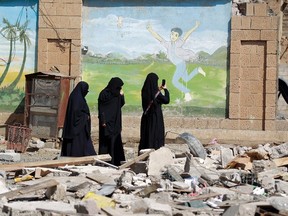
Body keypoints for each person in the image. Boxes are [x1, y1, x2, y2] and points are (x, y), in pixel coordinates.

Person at [147, 21, 206, 102]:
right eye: (172, 34)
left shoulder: (179, 43)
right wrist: (150, 30)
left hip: (180, 64)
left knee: (175, 81)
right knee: (186, 79)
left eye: (176, 35)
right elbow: (158, 37)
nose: (173, 36)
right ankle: (197, 70)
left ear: (178, 37)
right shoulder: (168, 44)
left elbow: (187, 34)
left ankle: (187, 93)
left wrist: (195, 27)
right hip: (181, 64)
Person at [61, 81, 96, 157]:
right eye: (86, 90)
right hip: (77, 126)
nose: (86, 92)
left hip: (78, 126)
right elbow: (75, 112)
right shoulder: (77, 98)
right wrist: (85, 116)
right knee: (78, 142)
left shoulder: (76, 96)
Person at [139, 72, 170, 152]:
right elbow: (166, 100)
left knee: (147, 135)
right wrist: (165, 89)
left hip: (146, 117)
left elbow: (152, 97)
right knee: (155, 134)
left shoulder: (144, 90)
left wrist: (158, 90)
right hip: (156, 117)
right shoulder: (157, 93)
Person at [98, 77, 126, 166]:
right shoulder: (104, 94)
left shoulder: (117, 95)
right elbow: (101, 108)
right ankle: (105, 161)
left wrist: (122, 95)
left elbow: (121, 104)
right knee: (105, 143)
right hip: (106, 123)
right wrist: (103, 120)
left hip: (115, 123)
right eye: (118, 87)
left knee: (115, 142)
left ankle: (115, 161)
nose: (119, 89)